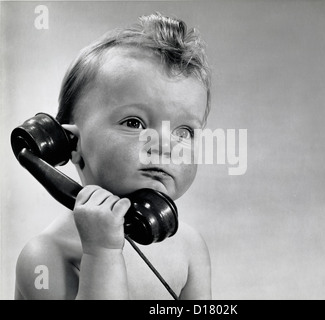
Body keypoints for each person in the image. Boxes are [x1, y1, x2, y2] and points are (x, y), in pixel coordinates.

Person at [14, 12, 212, 300]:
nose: (165, 145)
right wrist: (101, 253)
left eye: (183, 132)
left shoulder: (189, 246)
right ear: (72, 143)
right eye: (134, 123)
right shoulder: (45, 255)